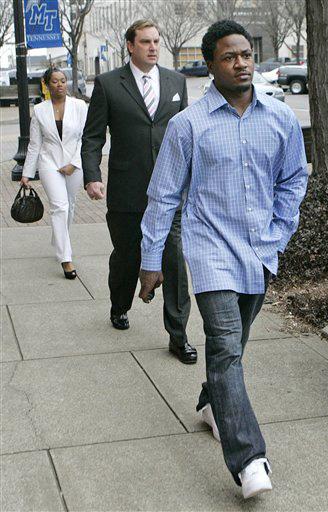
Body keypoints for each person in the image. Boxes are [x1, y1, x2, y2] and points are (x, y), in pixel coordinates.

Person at [139, 20, 308, 499]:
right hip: (211, 250)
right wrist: (151, 259)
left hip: (260, 251)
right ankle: (249, 459)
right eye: (230, 57)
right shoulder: (188, 125)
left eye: (246, 56)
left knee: (232, 349)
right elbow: (163, 196)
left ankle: (211, 404)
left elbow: (294, 179)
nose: (241, 63)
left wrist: (279, 232)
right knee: (226, 344)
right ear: (210, 65)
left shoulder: (278, 117)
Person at [81, 19, 196, 364]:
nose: (153, 47)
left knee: (174, 262)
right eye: (145, 41)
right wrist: (91, 176)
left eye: (156, 41)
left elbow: (186, 132)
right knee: (127, 257)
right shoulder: (107, 84)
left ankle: (179, 336)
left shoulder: (176, 82)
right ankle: (120, 305)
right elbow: (92, 137)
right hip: (128, 190)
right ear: (130, 45)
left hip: (170, 191)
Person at [21, 67, 88, 279]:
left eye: (63, 80)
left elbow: (87, 138)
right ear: (47, 85)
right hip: (49, 163)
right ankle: (65, 258)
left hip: (73, 163)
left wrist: (75, 163)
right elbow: (34, 144)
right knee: (60, 207)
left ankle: (59, 239)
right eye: (55, 81)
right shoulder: (40, 110)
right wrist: (27, 173)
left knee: (69, 205)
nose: (60, 84)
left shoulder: (79, 106)